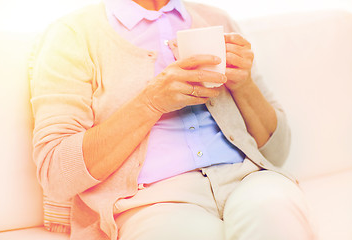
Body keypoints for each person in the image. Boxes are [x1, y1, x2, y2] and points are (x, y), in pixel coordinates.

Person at [30, 0, 315, 239]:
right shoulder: (73, 35)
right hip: (151, 201)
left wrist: (244, 84)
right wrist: (151, 102)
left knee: (276, 208)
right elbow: (56, 173)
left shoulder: (217, 20)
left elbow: (277, 153)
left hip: (248, 179)